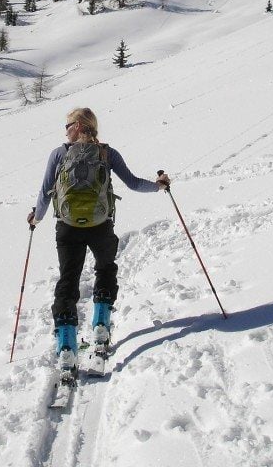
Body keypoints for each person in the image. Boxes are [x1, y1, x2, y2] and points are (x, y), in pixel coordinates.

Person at [28, 107, 169, 362]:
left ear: (78, 126)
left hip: (68, 227)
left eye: (68, 124)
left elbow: (45, 193)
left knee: (68, 281)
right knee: (105, 269)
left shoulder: (59, 154)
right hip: (101, 225)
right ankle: (101, 327)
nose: (66, 129)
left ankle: (67, 346)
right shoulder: (107, 153)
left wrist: (36, 218)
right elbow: (133, 183)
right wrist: (158, 186)